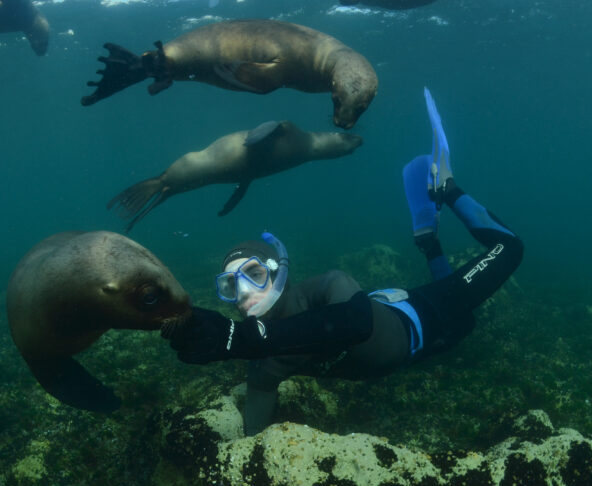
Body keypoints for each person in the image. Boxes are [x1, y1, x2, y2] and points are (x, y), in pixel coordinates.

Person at [164, 88, 524, 435]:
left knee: (509, 250)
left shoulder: (325, 288)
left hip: (422, 316)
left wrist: (242, 340)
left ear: (280, 273)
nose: (243, 294)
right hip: (396, 318)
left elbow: (355, 322)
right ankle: (429, 242)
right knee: (463, 327)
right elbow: (253, 434)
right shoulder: (265, 361)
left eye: (254, 275)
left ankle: (447, 189)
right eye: (230, 285)